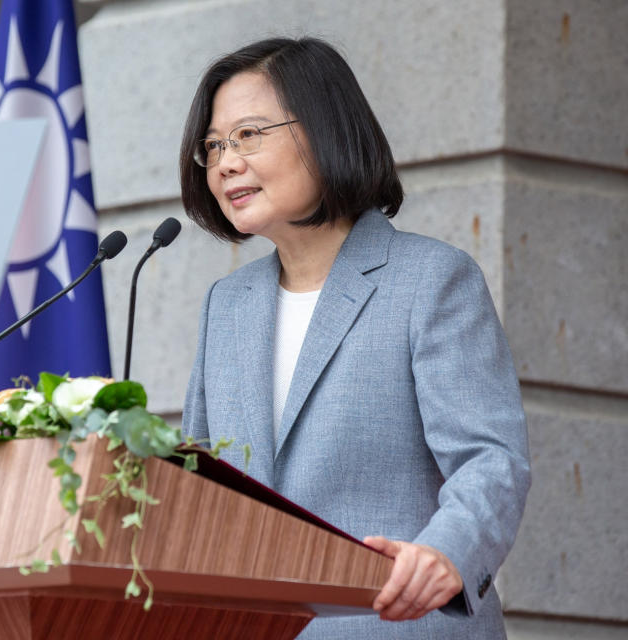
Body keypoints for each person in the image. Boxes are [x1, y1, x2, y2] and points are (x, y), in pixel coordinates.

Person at [180, 37, 531, 639]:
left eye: (249, 135)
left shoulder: (430, 280)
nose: (225, 163)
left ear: (325, 131)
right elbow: (200, 483)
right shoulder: (227, 306)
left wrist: (447, 555)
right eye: (213, 145)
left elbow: (489, 460)